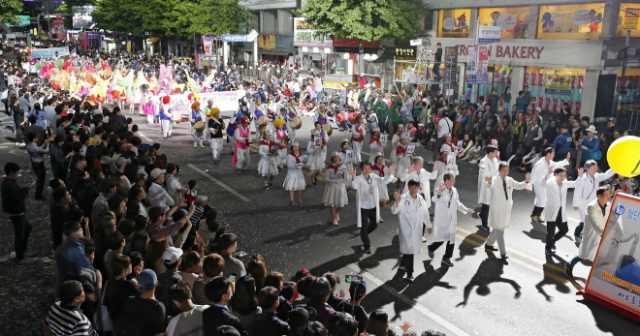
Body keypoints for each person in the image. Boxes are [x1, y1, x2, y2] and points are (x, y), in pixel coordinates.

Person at [483, 163, 531, 260]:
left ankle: (489, 243)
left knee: (498, 229)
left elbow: (519, 186)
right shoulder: (494, 180)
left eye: (507, 170)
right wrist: (488, 182)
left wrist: (526, 181)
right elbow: (490, 186)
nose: (505, 172)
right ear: (499, 170)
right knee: (500, 230)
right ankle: (503, 253)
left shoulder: (509, 180)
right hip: (497, 209)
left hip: (506, 209)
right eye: (503, 170)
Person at [349, 162, 397, 254]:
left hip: (373, 206)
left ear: (370, 169)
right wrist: (353, 177)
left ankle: (364, 235)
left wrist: (390, 173)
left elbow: (384, 181)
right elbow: (354, 186)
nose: (366, 170)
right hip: (363, 207)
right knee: (364, 226)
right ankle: (367, 245)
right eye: (364, 168)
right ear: (362, 170)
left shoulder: (374, 176)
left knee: (374, 225)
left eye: (368, 168)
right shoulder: (359, 178)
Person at [429, 173, 475, 267]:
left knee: (451, 240)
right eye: (453, 179)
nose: (455, 181)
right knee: (442, 239)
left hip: (452, 219)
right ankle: (431, 247)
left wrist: (465, 209)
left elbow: (457, 202)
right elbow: (435, 199)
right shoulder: (440, 189)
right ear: (447, 181)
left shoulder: (454, 190)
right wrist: (439, 193)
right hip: (442, 218)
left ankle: (446, 258)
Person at [565, 187, 611, 278]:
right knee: (583, 255)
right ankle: (569, 265)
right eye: (606, 195)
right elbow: (595, 224)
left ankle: (595, 278)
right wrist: (604, 234)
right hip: (591, 235)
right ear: (599, 196)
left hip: (602, 235)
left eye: (609, 194)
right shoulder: (591, 207)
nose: (608, 197)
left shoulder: (608, 204)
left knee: (599, 257)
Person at [392, 180, 431, 280]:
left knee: (409, 250)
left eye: (415, 187)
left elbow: (425, 212)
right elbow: (394, 211)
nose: (413, 189)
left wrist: (428, 225)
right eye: (411, 187)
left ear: (418, 188)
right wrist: (397, 201)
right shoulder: (403, 198)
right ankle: (410, 273)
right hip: (406, 229)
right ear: (408, 188)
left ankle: (402, 265)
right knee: (410, 250)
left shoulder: (420, 198)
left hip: (417, 228)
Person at [572, 160, 615, 245]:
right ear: (587, 169)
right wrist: (575, 204)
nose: (596, 169)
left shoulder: (596, 176)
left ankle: (585, 237)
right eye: (594, 168)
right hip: (584, 203)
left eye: (596, 167)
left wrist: (615, 168)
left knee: (589, 221)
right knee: (583, 221)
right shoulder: (582, 179)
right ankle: (577, 235)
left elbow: (606, 175)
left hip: (593, 203)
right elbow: (577, 191)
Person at [541, 167, 582, 255]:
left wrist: (580, 176)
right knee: (550, 231)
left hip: (560, 211)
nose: (563, 177)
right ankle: (548, 248)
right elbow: (543, 183)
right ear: (556, 174)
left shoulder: (565, 183)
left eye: (564, 175)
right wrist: (548, 174)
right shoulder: (550, 182)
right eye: (560, 175)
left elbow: (575, 183)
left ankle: (552, 241)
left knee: (564, 230)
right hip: (552, 210)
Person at [116, 269, 166, 336]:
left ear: (139, 285)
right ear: (156, 283)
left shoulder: (130, 301)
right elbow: (159, 334)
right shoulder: (158, 307)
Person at [1, 162, 34, 261]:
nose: (18, 173)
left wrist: (25, 188)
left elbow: (17, 194)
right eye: (17, 172)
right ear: (11, 172)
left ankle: (23, 249)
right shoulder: (9, 185)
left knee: (27, 227)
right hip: (16, 212)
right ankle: (20, 255)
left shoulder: (9, 182)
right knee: (19, 234)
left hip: (17, 211)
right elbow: (18, 198)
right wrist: (27, 189)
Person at [527, 148, 570, 223]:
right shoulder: (539, 164)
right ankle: (534, 215)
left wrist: (566, 160)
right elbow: (533, 175)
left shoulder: (549, 162)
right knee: (541, 201)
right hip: (539, 184)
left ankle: (536, 215)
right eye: (553, 153)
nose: (554, 155)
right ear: (548, 154)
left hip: (546, 184)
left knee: (542, 201)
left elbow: (557, 164)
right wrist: (529, 186)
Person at [323, 152, 349, 226]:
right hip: (332, 187)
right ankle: (334, 218)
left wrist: (347, 178)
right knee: (332, 204)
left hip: (341, 187)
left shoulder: (343, 166)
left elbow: (346, 177)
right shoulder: (329, 168)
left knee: (341, 205)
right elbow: (326, 178)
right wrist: (334, 181)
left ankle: (336, 213)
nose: (336, 159)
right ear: (332, 159)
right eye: (334, 157)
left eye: (337, 157)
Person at [477, 145, 499, 230]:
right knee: (486, 203)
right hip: (487, 185)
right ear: (490, 153)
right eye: (495, 152)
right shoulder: (484, 161)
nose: (496, 154)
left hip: (494, 183)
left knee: (490, 203)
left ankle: (482, 215)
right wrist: (482, 170)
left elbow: (496, 171)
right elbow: (483, 173)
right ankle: (484, 223)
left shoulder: (495, 160)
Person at [26, 132, 51, 200]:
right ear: (34, 139)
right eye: (36, 137)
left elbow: (39, 149)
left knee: (39, 179)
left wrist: (44, 144)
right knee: (41, 180)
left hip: (34, 163)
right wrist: (48, 143)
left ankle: (38, 195)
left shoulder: (29, 146)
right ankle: (38, 195)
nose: (37, 138)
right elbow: (46, 151)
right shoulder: (35, 147)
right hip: (39, 164)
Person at [283, 142, 306, 206]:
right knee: (291, 187)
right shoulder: (289, 156)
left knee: (302, 187)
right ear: (292, 148)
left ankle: (300, 200)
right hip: (292, 173)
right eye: (294, 147)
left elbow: (304, 163)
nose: (296, 149)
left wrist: (305, 162)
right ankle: (292, 200)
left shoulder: (301, 155)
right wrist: (296, 165)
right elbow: (289, 165)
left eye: (297, 147)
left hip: (299, 173)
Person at [308, 121, 329, 186]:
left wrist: (323, 139)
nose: (318, 127)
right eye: (316, 126)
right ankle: (313, 180)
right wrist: (313, 148)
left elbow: (327, 139)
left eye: (319, 126)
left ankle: (315, 176)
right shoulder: (311, 141)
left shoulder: (323, 132)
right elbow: (309, 150)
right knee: (314, 169)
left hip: (321, 153)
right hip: (314, 156)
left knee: (319, 170)